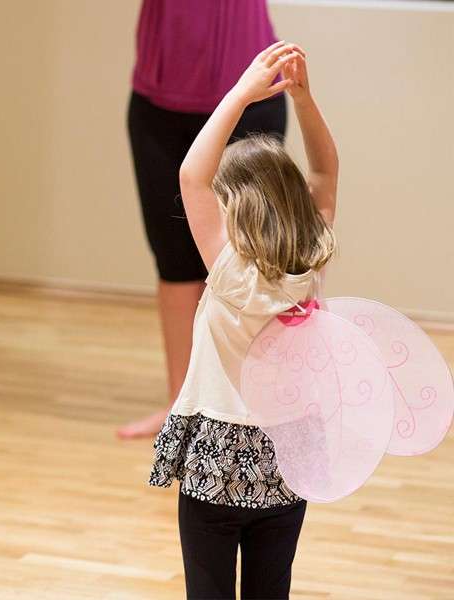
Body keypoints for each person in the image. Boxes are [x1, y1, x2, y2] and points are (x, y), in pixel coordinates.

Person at [148, 43, 337, 599]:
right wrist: (303, 99)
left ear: (235, 207)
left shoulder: (230, 271)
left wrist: (240, 94)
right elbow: (325, 168)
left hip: (217, 457)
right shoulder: (312, 261)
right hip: (287, 453)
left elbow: (190, 175)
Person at [119, 0, 287, 439]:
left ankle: (249, 412)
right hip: (160, 107)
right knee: (174, 261)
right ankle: (182, 410)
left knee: (252, 267)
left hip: (252, 100)